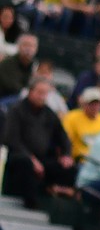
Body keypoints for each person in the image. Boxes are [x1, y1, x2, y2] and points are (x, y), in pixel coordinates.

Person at [3, 76, 76, 208]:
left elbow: (63, 137)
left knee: (68, 168)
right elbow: (11, 139)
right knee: (27, 165)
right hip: (20, 157)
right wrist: (31, 159)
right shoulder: (17, 110)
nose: (42, 96)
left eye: (45, 93)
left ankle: (57, 205)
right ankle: (31, 204)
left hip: (43, 158)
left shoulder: (49, 114)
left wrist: (66, 154)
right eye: (39, 92)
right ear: (31, 91)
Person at [61, 86, 100, 159]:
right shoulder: (72, 117)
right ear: (84, 103)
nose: (95, 107)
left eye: (98, 103)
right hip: (80, 160)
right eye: (91, 103)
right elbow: (65, 141)